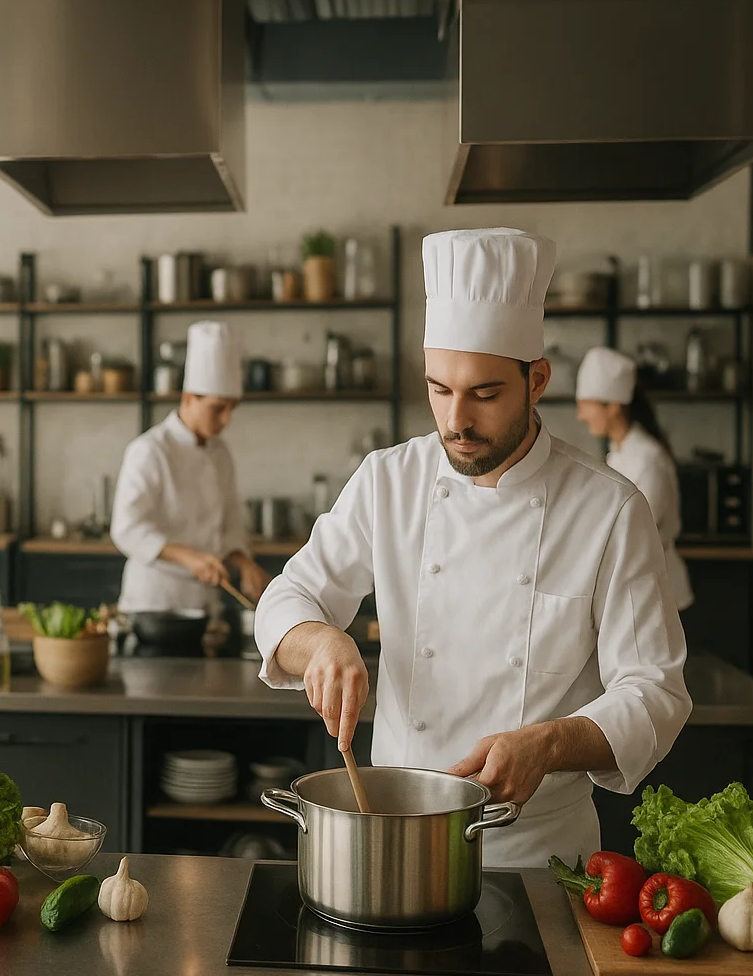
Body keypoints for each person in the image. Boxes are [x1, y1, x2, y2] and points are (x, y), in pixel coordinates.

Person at [255, 228, 691, 867]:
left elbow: (655, 691)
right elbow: (286, 599)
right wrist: (320, 641)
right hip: (394, 843)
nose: (456, 420)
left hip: (538, 856)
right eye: (439, 389)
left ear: (536, 380)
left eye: (485, 394)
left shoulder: (610, 508)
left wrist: (549, 743)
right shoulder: (388, 481)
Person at [111, 320, 269, 639]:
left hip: (205, 608)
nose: (226, 420)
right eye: (217, 408)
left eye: (232, 408)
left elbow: (229, 528)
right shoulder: (150, 450)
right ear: (187, 399)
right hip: (154, 607)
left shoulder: (220, 453)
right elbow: (126, 529)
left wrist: (244, 563)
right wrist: (189, 557)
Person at [575, 346, 694, 611]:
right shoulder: (620, 453)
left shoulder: (647, 460)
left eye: (585, 405)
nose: (580, 415)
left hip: (659, 594)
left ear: (613, 406)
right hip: (637, 590)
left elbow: (633, 531)